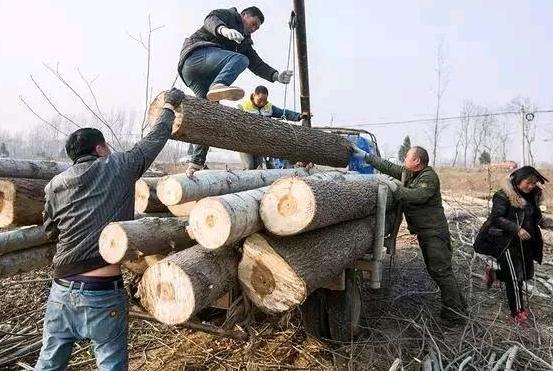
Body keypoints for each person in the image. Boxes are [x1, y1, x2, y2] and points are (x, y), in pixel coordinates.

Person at [34, 88, 186, 370]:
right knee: (111, 365)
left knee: (48, 364)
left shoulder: (54, 185)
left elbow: (50, 231)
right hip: (103, 292)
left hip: (62, 290)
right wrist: (169, 105)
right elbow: (155, 138)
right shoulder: (119, 166)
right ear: (101, 149)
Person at [353, 145, 467, 322]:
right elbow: (390, 168)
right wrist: (367, 156)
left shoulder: (429, 177)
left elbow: (418, 196)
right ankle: (459, 306)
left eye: (407, 157)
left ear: (417, 161)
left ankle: (455, 315)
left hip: (434, 233)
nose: (404, 160)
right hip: (427, 232)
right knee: (438, 271)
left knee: (441, 271)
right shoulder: (411, 174)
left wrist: (395, 189)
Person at [177, 6, 294, 176]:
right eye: (253, 24)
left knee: (209, 115)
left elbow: (257, 64)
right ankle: (219, 84)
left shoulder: (244, 42)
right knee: (240, 59)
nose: (253, 29)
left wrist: (276, 76)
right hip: (195, 56)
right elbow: (210, 19)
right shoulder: (229, 15)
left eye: (257, 28)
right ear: (244, 15)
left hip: (197, 78)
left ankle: (196, 163)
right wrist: (223, 30)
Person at [474, 166, 551, 325]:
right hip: (505, 241)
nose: (531, 186)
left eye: (534, 183)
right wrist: (516, 229)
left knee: (524, 275)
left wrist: (548, 224)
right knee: (515, 278)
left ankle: (495, 274)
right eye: (528, 182)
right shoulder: (503, 195)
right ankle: (517, 313)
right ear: (518, 180)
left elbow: (536, 217)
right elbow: (497, 218)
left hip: (527, 242)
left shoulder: (533, 195)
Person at [238, 85, 301, 169]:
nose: (262, 103)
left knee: (258, 168)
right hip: (245, 142)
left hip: (259, 144)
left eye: (265, 100)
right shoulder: (243, 107)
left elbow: (283, 113)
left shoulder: (269, 107)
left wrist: (298, 116)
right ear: (254, 95)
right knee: (249, 166)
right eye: (260, 100)